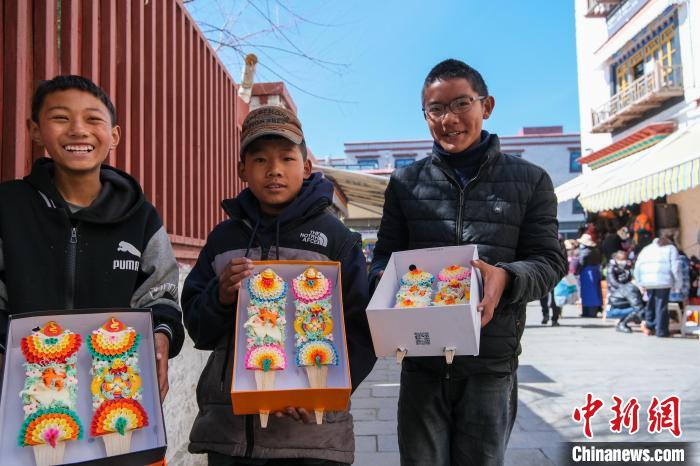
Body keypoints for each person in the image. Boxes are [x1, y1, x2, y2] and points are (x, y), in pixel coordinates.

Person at [368, 59, 567, 466]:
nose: (449, 119)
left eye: (461, 104)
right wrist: (385, 294)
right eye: (435, 109)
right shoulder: (406, 183)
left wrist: (507, 278)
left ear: (486, 106)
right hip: (421, 360)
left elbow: (549, 261)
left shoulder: (530, 181)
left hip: (491, 363)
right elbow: (384, 259)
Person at [182, 106, 376, 465]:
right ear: (242, 169)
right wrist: (221, 297)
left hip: (314, 437)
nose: (274, 170)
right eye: (259, 159)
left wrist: (320, 393)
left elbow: (362, 332)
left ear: (305, 166)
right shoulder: (223, 240)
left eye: (287, 157)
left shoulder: (336, 240)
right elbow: (198, 329)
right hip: (231, 434)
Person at [0, 75, 184, 398]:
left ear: (113, 136)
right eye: (60, 117)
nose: (78, 129)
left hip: (114, 393)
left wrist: (162, 335)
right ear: (34, 130)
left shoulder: (140, 217)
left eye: (93, 119)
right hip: (24, 395)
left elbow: (160, 297)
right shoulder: (9, 206)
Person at [634, 233, 683, 337]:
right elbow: (676, 268)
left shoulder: (646, 249)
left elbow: (637, 266)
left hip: (647, 281)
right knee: (661, 306)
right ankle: (661, 331)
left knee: (650, 304)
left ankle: (649, 327)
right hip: (663, 281)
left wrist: (639, 282)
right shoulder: (671, 248)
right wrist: (678, 284)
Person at [606, 251, 645, 333]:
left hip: (626, 291)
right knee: (637, 308)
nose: (624, 261)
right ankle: (623, 322)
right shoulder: (611, 267)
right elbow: (613, 282)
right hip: (616, 291)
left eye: (625, 259)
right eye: (622, 259)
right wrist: (625, 288)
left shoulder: (627, 268)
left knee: (636, 304)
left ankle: (625, 320)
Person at [577, 233, 603, 317]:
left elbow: (581, 263)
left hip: (586, 273)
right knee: (595, 292)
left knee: (587, 293)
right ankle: (593, 311)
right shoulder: (596, 250)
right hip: (595, 272)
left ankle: (587, 312)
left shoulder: (585, 252)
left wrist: (577, 272)